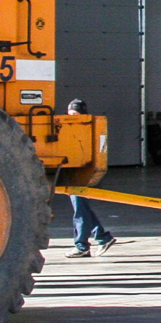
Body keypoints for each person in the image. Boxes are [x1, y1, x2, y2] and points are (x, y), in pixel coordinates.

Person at [63, 99, 115, 257]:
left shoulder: (86, 130)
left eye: (76, 113)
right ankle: (102, 237)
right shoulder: (69, 128)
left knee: (80, 210)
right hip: (73, 174)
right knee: (82, 209)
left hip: (80, 175)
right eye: (70, 113)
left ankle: (82, 245)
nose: (72, 116)